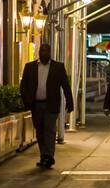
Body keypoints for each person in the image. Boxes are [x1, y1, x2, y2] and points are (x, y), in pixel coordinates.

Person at [20, 42, 74, 170]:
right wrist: (27, 101)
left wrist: (70, 103)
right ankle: (44, 155)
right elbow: (23, 87)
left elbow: (65, 86)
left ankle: (49, 156)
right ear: (38, 53)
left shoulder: (58, 67)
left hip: (51, 105)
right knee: (39, 131)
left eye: (46, 51)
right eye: (42, 51)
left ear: (50, 53)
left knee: (49, 130)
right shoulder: (30, 67)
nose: (44, 53)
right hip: (36, 105)